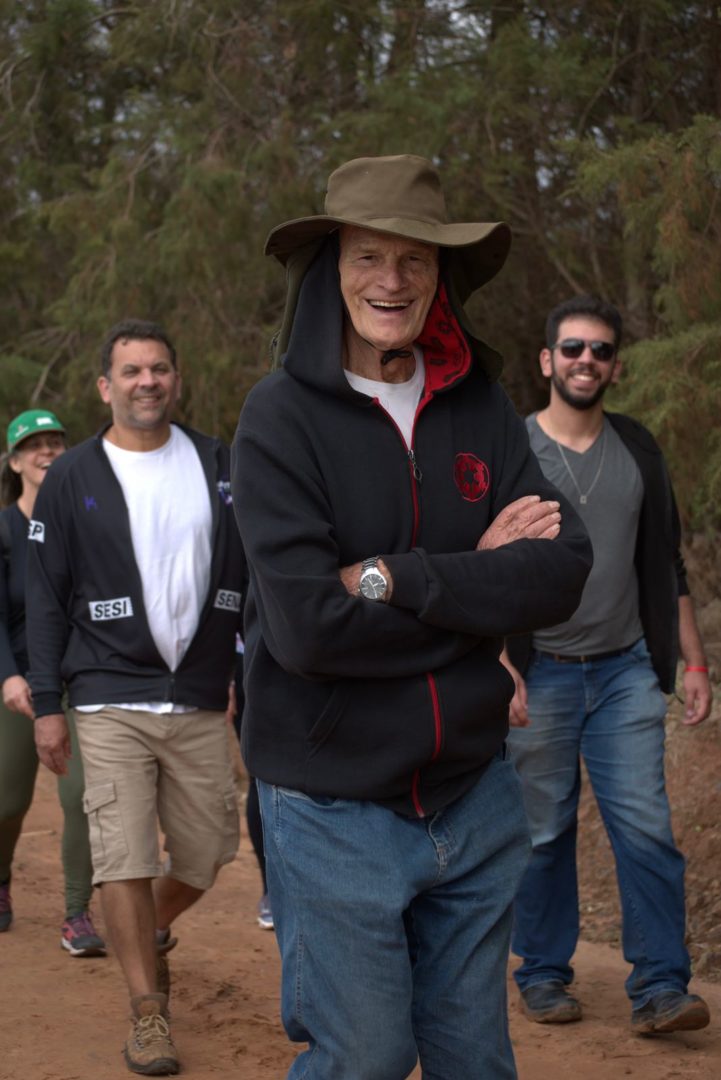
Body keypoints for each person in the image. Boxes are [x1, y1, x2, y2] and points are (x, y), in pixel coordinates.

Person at [231, 154, 593, 1080]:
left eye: (414, 260)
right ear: (329, 269)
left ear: (439, 277)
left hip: (475, 794)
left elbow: (562, 569)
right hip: (332, 805)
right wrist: (480, 583)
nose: (389, 281)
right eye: (367, 255)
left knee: (476, 1060)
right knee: (364, 1059)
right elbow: (308, 629)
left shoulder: (479, 408)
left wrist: (391, 578)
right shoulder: (278, 419)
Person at [26, 320, 244, 1076]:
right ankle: (148, 1012)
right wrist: (47, 704)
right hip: (108, 693)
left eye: (158, 369)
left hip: (198, 697)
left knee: (209, 852)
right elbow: (45, 599)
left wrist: (243, 676)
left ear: (175, 379)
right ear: (104, 386)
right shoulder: (71, 477)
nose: (146, 381)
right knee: (123, 856)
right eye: (130, 371)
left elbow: (250, 575)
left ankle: (144, 924)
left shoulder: (219, 462)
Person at [503, 295, 712, 1035]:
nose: (585, 360)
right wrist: (501, 664)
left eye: (599, 350)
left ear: (615, 365)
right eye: (571, 348)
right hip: (542, 669)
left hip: (625, 670)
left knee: (646, 828)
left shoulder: (638, 449)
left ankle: (661, 987)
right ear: (546, 360)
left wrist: (692, 662)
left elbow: (664, 563)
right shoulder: (512, 449)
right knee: (541, 832)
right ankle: (542, 973)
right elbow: (481, 566)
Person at [0, 409, 105, 956]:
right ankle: (1, 878)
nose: (46, 452)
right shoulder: (3, 529)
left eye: (55, 443)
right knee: (6, 801)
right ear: (15, 462)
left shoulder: (86, 519)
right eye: (33, 445)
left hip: (78, 680)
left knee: (81, 795)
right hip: (18, 683)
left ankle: (76, 912)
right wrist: (8, 676)